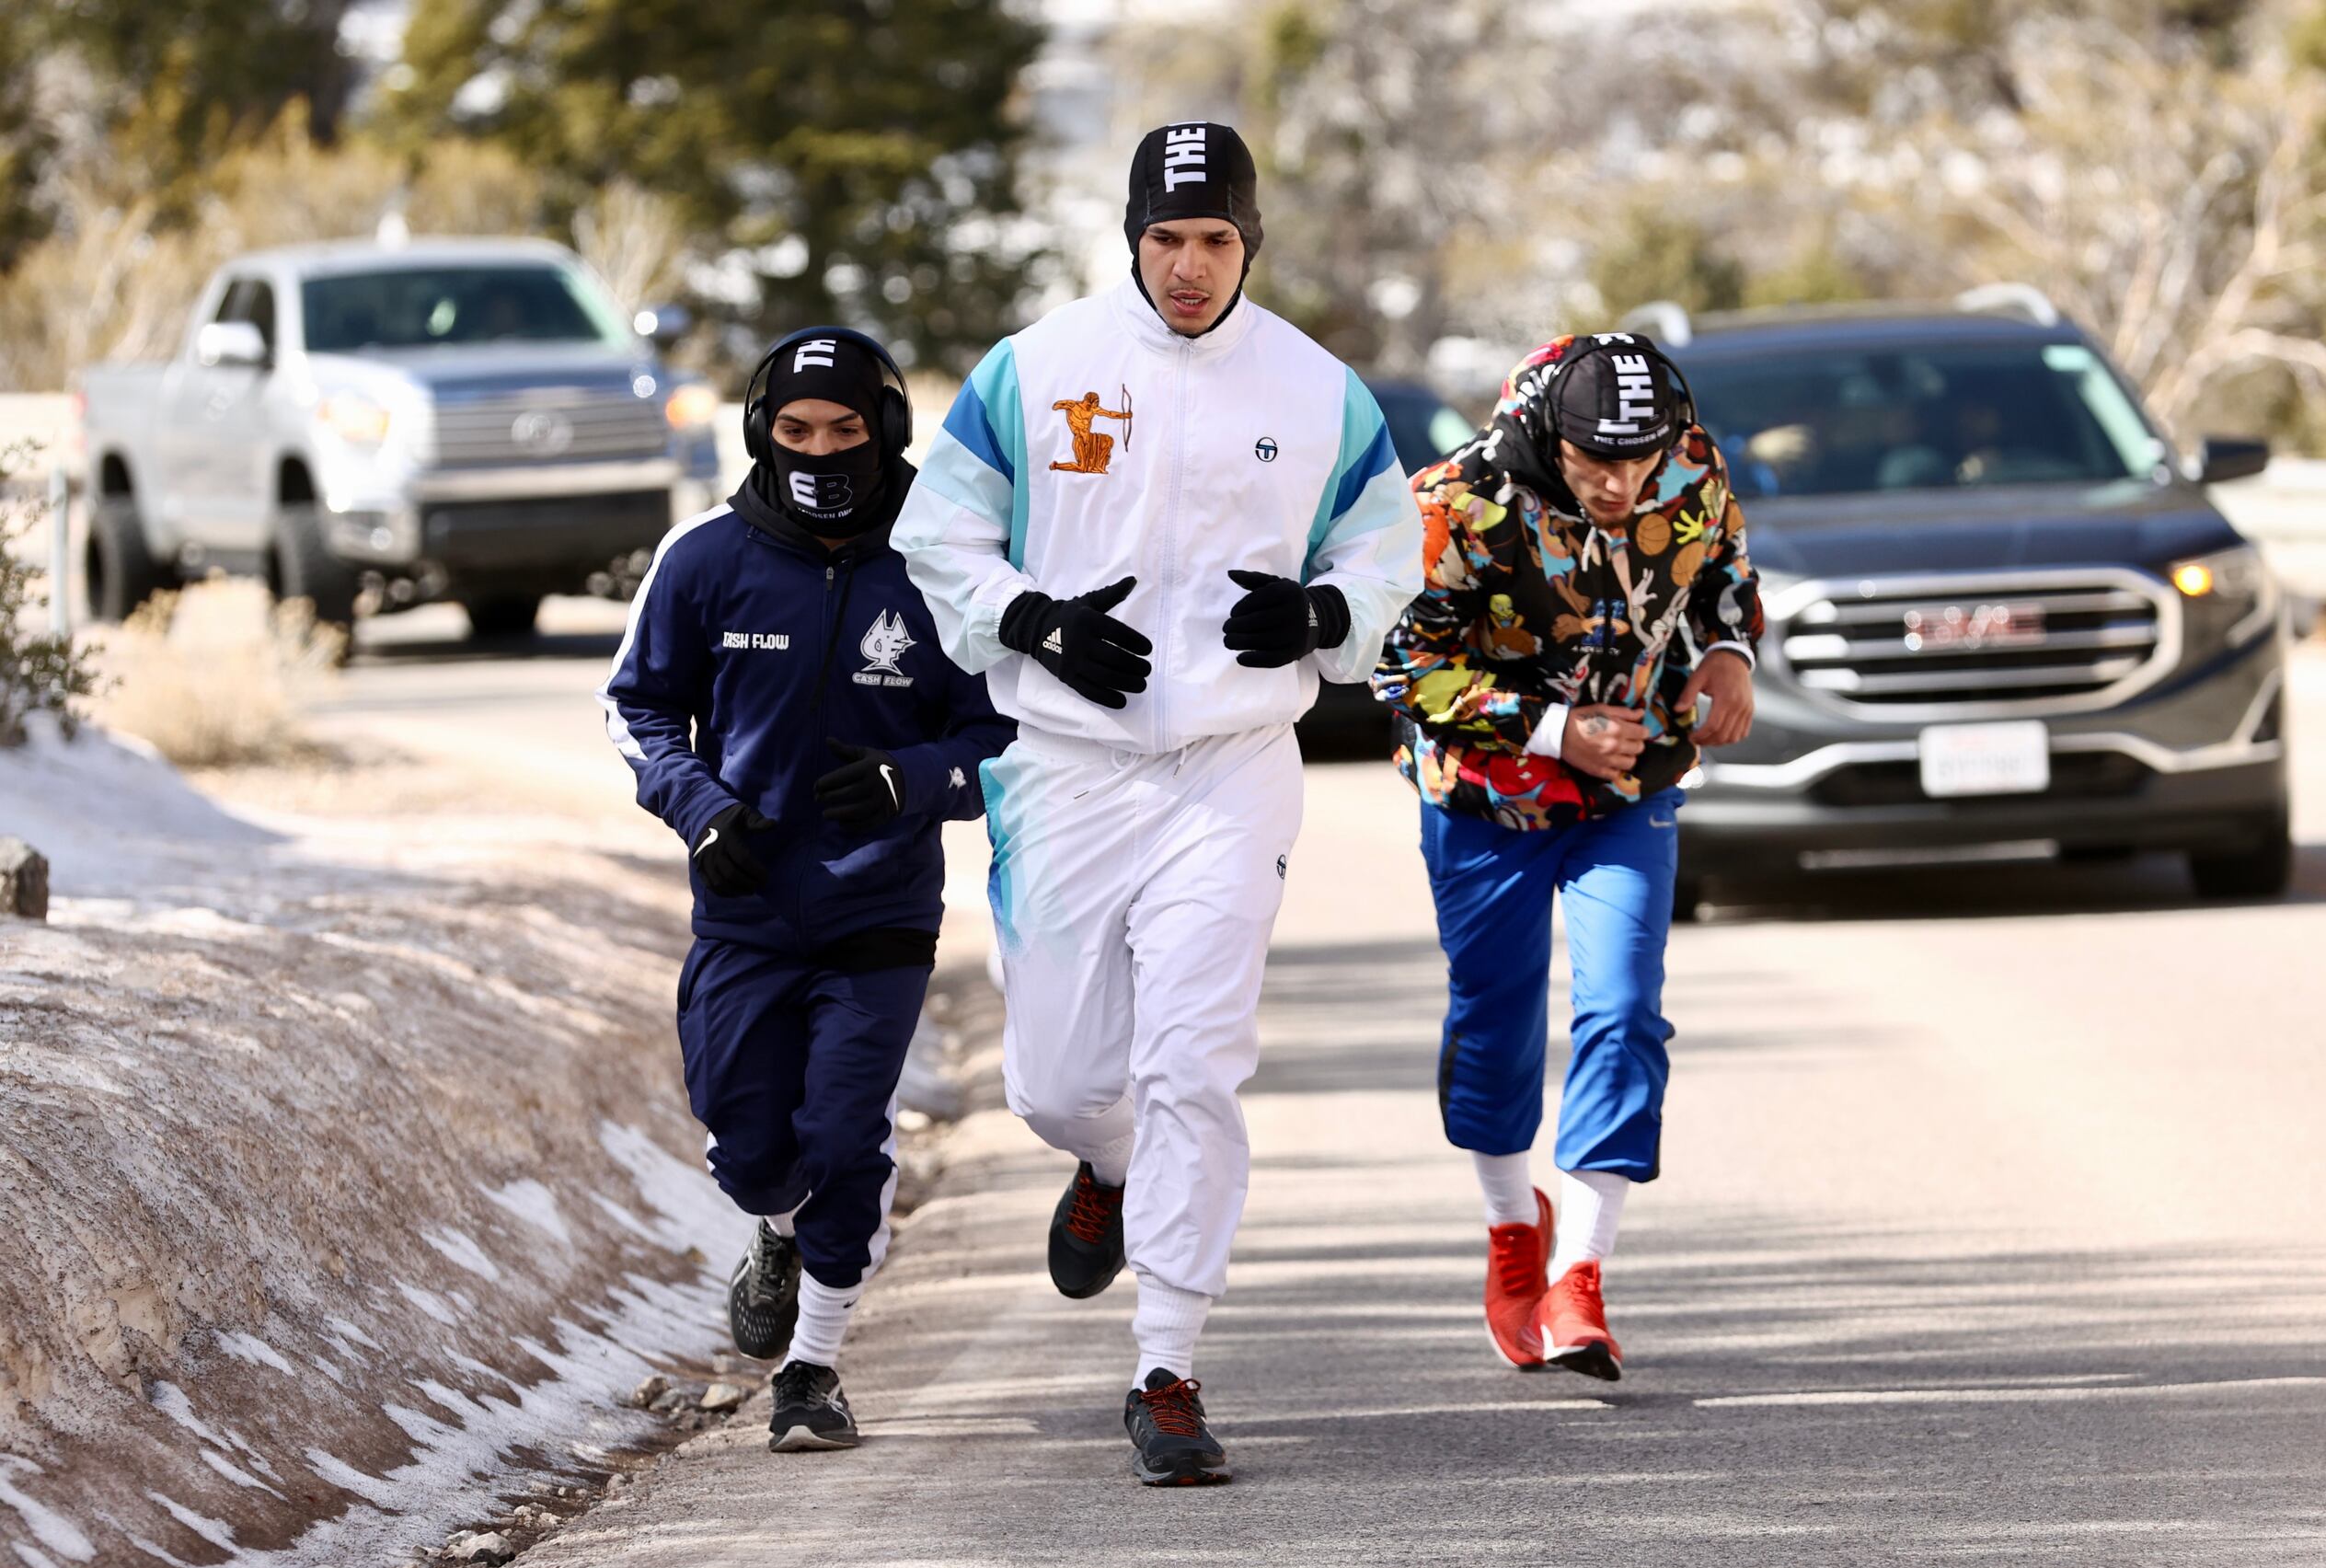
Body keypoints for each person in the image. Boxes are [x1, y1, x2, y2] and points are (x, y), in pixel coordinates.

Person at [892, 122, 1422, 1486]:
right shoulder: (1034, 370)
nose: (1191, 269)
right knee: (1060, 1080)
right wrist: (1032, 618)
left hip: (1232, 767)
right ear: (1131, 236)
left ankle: (1169, 1367)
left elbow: (1384, 549)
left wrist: (1324, 610)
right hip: (1068, 768)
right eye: (1167, 239)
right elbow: (936, 532)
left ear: (1251, 241)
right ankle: (1104, 1166)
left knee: (1196, 1058)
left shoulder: (1316, 390)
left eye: (1218, 241)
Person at [599, 328, 1013, 1452]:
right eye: (794, 432)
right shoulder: (704, 558)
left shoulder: (942, 563)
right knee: (747, 1139)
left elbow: (1002, 732)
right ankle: (776, 1229)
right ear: (759, 434)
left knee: (841, 1137)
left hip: (881, 913)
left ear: (884, 433)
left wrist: (915, 779)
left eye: (843, 431)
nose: (820, 451)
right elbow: (633, 708)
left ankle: (813, 1370)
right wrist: (701, 806)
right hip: (743, 910)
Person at [1374, 332, 1763, 1381]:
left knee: (1624, 1008)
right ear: (1551, 432)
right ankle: (1514, 1231)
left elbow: (1724, 569)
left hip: (1628, 786)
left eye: (1639, 460)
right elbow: (1396, 667)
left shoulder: (1690, 463)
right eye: (1597, 461)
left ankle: (1581, 1276)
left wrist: (1727, 655)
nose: (1621, 483)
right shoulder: (1455, 503)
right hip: (1484, 794)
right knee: (1495, 1021)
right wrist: (1552, 731)